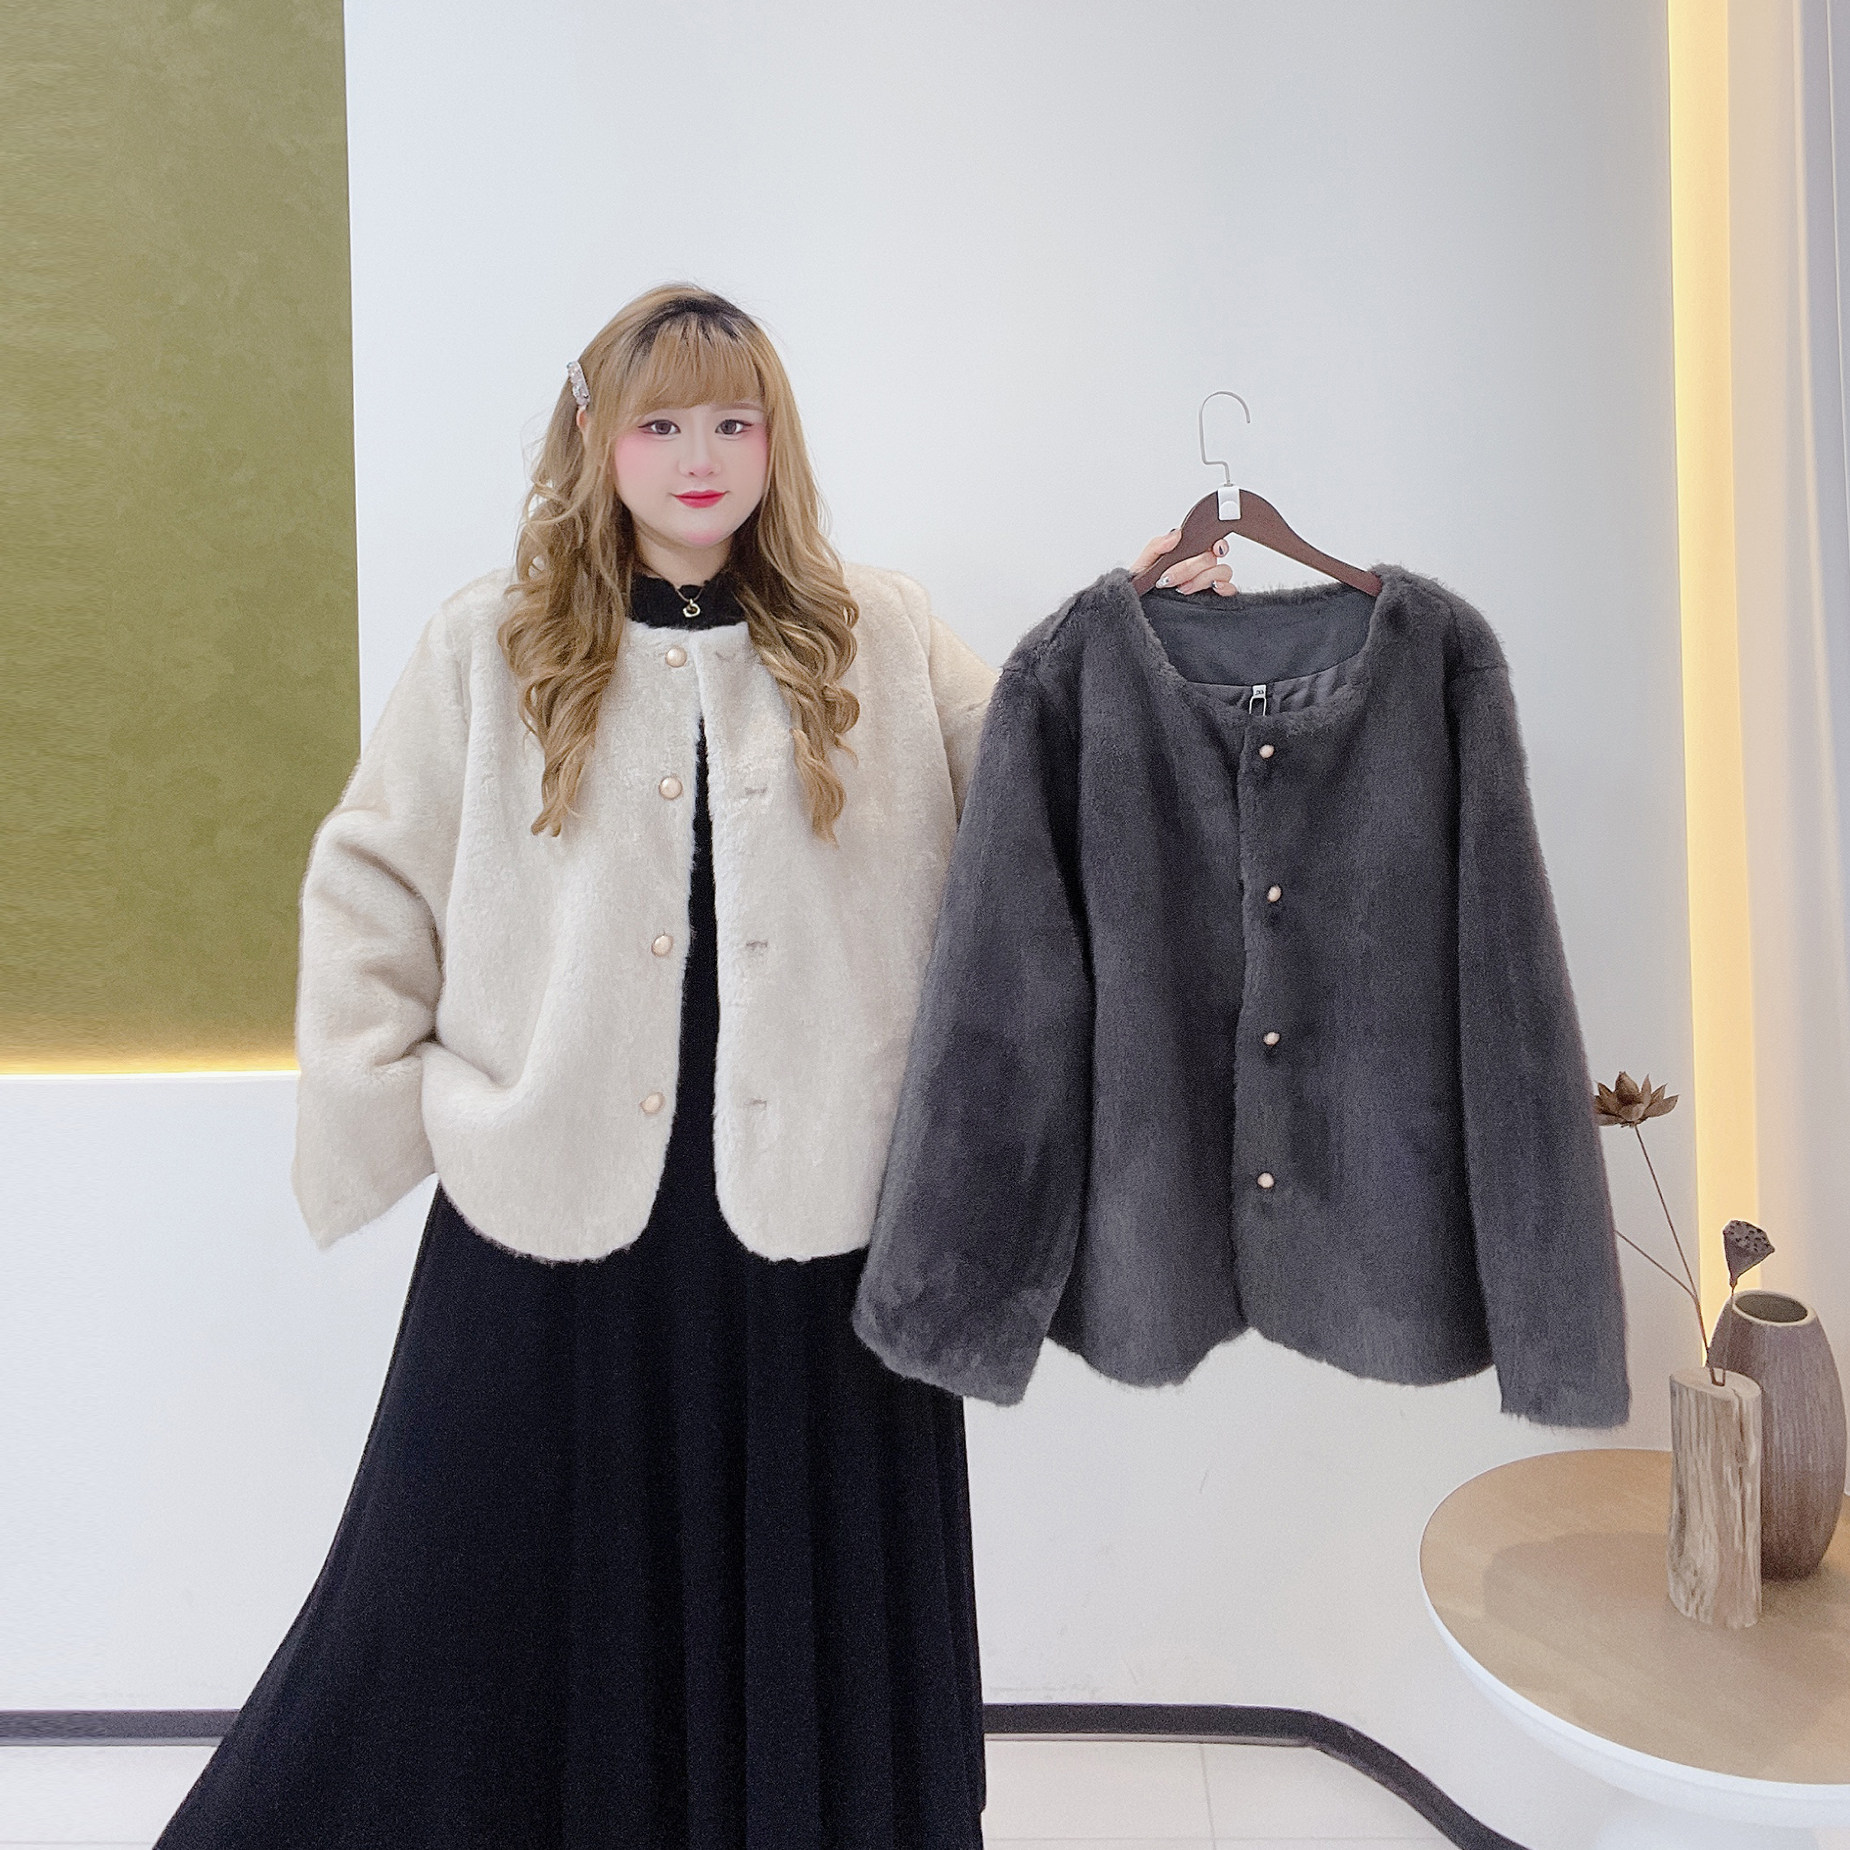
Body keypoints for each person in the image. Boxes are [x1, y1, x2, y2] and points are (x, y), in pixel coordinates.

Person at [154, 283, 1233, 1849]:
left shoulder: (874, 630)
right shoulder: (493, 646)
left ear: (774, 439)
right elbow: (370, 880)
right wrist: (399, 1111)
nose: (701, 455)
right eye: (661, 422)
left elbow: (1032, 790)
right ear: (595, 437)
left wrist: (1131, 648)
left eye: (735, 419)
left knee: (808, 1609)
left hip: (817, 1230)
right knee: (448, 1596)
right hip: (555, 1218)